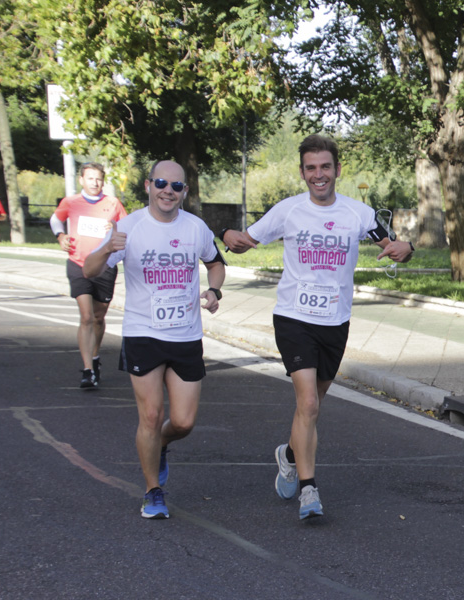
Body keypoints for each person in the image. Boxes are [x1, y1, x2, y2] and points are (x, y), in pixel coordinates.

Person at [221, 134, 414, 520]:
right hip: (293, 316)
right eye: (311, 168)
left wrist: (405, 249)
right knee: (307, 402)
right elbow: (246, 239)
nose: (319, 175)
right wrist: (228, 235)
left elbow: (394, 244)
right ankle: (310, 491)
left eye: (325, 167)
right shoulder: (288, 211)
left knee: (312, 406)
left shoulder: (357, 213)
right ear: (302, 172)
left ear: (337, 170)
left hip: (335, 320)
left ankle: (289, 453)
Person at [84, 160, 226, 519]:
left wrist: (214, 290)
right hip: (143, 332)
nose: (168, 191)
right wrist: (105, 249)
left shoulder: (195, 228)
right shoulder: (129, 227)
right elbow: (89, 269)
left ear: (185, 192)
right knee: (150, 414)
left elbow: (216, 263)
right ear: (148, 184)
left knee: (182, 422)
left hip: (185, 335)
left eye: (176, 186)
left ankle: (160, 444)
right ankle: (153, 491)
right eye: (161, 183)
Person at [51, 163, 128, 388]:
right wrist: (60, 235)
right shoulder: (71, 202)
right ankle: (87, 370)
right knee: (86, 316)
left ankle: (94, 357)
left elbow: (125, 229)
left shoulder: (113, 203)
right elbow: (56, 219)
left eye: (99, 179)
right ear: (82, 180)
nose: (95, 183)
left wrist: (113, 230)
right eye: (90, 178)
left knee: (98, 317)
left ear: (103, 181)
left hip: (105, 266)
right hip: (78, 263)